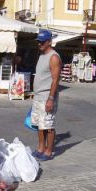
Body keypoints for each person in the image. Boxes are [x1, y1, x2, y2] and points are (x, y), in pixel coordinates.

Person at [31, 29, 62, 161]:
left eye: (42, 42)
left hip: (47, 97)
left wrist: (50, 99)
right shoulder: (41, 55)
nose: (40, 44)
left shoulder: (54, 57)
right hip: (38, 97)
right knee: (39, 124)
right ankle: (40, 148)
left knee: (48, 125)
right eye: (38, 42)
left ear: (49, 42)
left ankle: (48, 151)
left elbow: (55, 80)